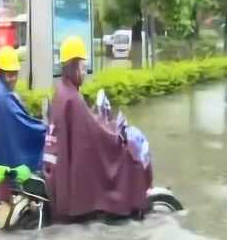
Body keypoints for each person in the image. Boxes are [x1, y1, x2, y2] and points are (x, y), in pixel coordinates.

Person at [43, 36, 153, 224]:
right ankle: (120, 206)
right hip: (66, 180)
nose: (84, 73)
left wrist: (99, 120)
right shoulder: (72, 99)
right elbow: (94, 133)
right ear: (73, 67)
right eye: (83, 68)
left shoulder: (62, 91)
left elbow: (86, 124)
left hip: (55, 174)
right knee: (125, 160)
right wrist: (116, 138)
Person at [0, 46, 47, 211]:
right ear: (1, 72)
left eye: (15, 73)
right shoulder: (3, 97)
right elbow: (23, 125)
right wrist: (46, 130)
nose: (13, 78)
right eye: (9, 74)